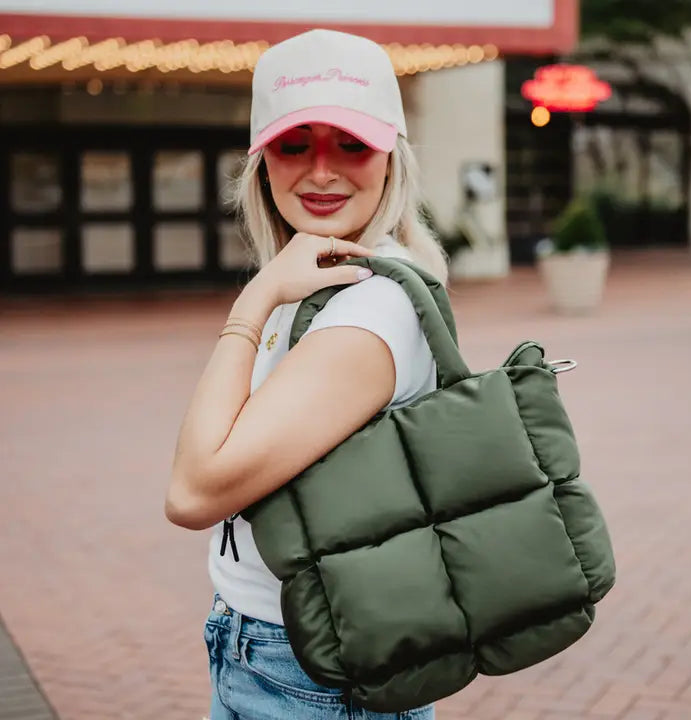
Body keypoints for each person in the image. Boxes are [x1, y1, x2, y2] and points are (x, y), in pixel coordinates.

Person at [165, 28, 446, 720]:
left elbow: (194, 491)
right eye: (295, 144)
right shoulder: (317, 277)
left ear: (391, 156)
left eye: (351, 143)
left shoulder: (374, 306)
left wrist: (253, 302)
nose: (322, 171)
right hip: (268, 647)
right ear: (262, 163)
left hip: (313, 672)